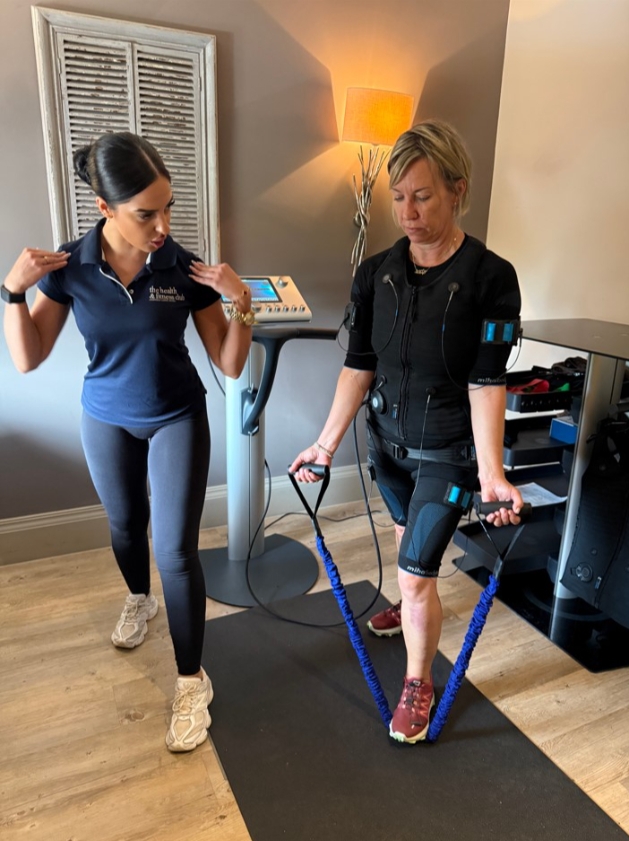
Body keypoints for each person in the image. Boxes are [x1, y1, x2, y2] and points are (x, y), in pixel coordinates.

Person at [2, 131, 255, 752]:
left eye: (168, 207)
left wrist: (242, 303)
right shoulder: (71, 267)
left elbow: (227, 363)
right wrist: (13, 291)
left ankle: (193, 680)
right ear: (105, 208)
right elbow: (28, 358)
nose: (162, 224)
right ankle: (138, 601)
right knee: (123, 526)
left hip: (176, 417)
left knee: (175, 552)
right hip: (106, 416)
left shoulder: (182, 266)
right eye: (147, 213)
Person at [290, 119, 523, 744]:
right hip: (387, 449)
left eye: (422, 196)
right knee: (405, 544)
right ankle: (411, 599)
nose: (407, 211)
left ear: (457, 189)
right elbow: (358, 366)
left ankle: (418, 682)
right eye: (398, 197)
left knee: (419, 573)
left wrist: (493, 473)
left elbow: (487, 380)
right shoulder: (376, 274)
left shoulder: (490, 277)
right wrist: (325, 443)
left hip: (448, 453)